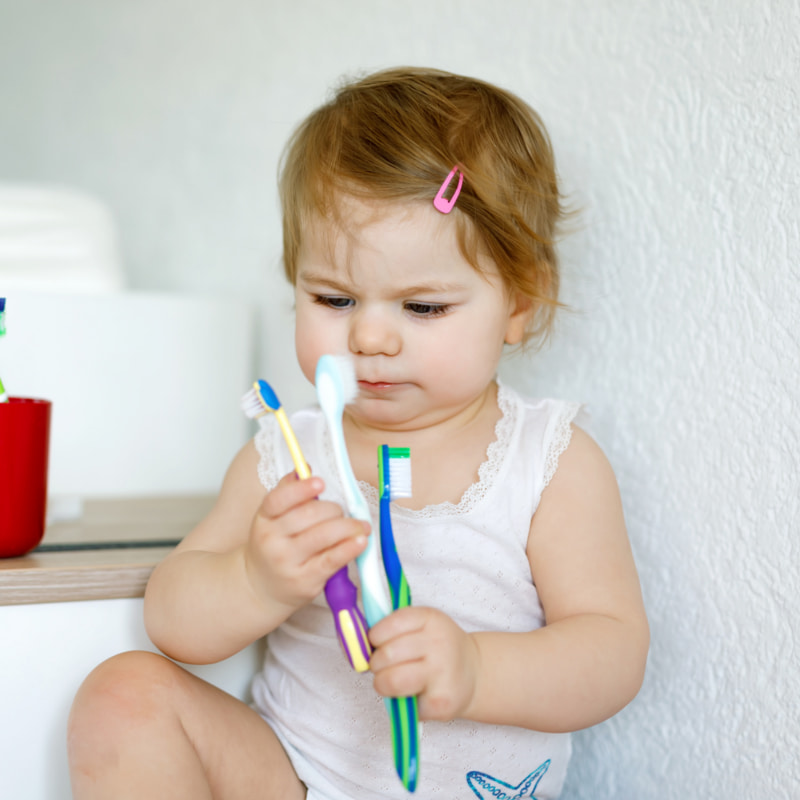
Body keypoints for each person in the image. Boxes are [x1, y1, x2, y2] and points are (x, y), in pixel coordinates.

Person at [67, 66, 649, 800]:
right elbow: (174, 617)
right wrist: (254, 577)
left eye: (424, 307)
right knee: (124, 695)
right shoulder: (286, 454)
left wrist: (475, 670)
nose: (370, 337)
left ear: (519, 304)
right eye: (334, 298)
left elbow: (613, 651)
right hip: (294, 777)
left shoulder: (550, 463)